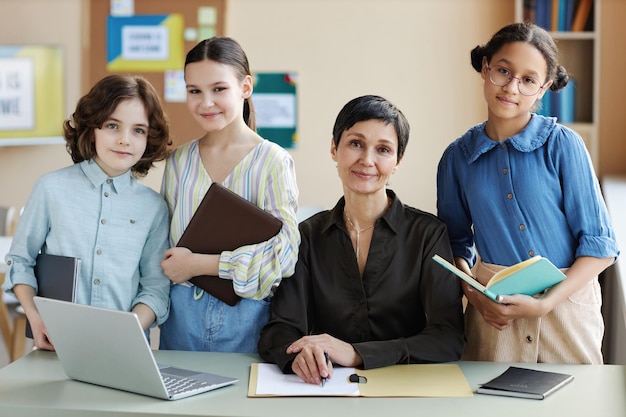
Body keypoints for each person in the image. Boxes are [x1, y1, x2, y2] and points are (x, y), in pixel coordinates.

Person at [437, 22, 620, 364]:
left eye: (528, 80)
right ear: (485, 67)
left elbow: (601, 246)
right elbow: (454, 244)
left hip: (566, 311)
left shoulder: (564, 145)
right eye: (503, 71)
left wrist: (546, 303)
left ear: (544, 87)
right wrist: (476, 298)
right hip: (494, 316)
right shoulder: (456, 158)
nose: (512, 88)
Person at [258, 95, 465, 385]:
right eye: (355, 144)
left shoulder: (428, 234)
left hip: (407, 391)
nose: (367, 160)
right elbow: (280, 329)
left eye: (383, 149)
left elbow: (448, 338)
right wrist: (299, 356)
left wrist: (357, 353)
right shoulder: (306, 236)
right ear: (334, 148)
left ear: (397, 161)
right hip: (326, 390)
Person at [3, 74, 172, 351]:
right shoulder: (51, 188)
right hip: (56, 346)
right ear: (92, 128)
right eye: (112, 125)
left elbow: (155, 288)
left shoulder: (153, 207)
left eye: (138, 130)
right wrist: (35, 317)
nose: (125, 140)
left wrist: (125, 331)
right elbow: (20, 261)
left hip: (123, 351)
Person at [158, 37, 300, 353]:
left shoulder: (273, 161)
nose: (205, 102)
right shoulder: (179, 161)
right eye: (194, 91)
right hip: (181, 317)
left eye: (218, 89)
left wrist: (200, 264)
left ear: (245, 87)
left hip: (248, 319)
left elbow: (284, 255)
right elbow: (163, 243)